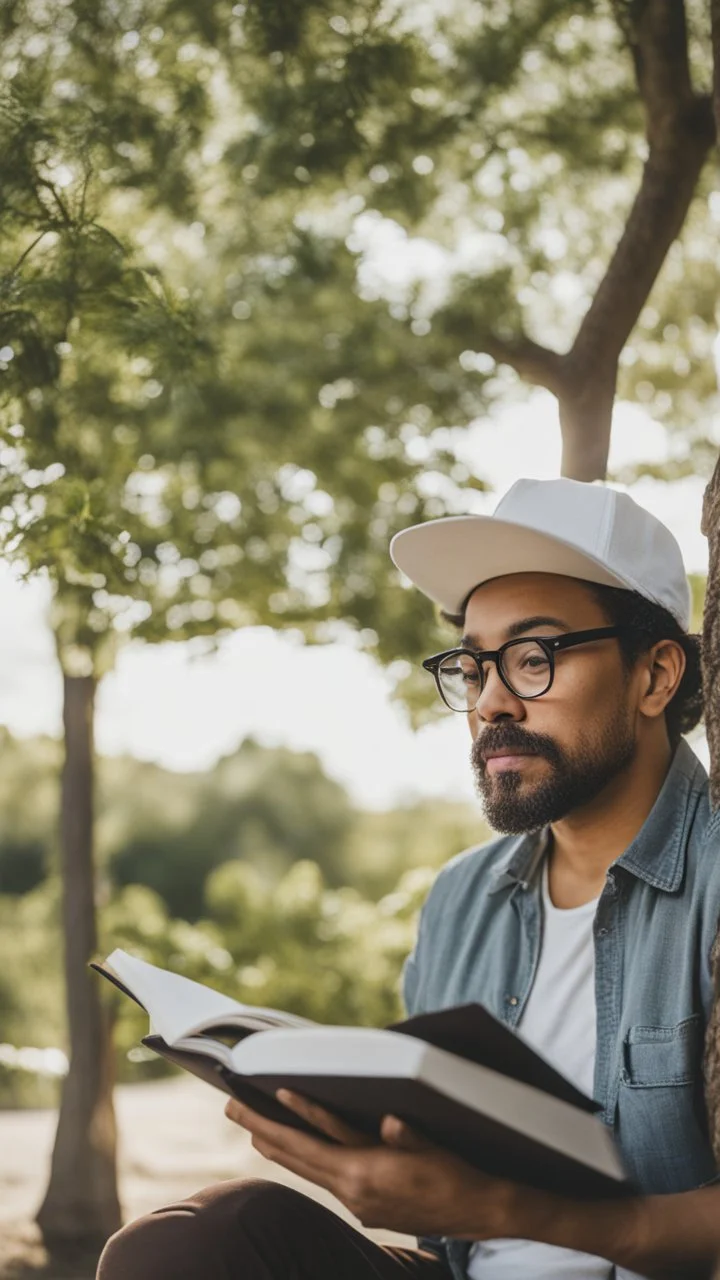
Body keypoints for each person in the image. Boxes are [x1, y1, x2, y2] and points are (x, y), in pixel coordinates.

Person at [97, 478, 720, 1280]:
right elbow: (443, 1237)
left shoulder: (709, 873)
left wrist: (504, 1208)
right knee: (194, 1242)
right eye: (471, 666)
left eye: (533, 658)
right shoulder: (461, 901)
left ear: (655, 676)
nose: (491, 701)